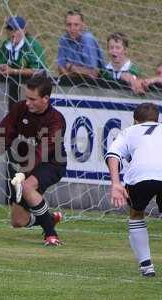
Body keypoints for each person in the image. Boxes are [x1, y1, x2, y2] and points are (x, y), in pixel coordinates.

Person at [0, 74, 66, 246]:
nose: (28, 103)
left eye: (33, 99)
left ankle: (51, 235)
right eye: (27, 98)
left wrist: (24, 174)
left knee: (27, 186)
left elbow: (43, 151)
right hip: (26, 166)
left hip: (51, 164)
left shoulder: (56, 120)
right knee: (18, 221)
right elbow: (3, 133)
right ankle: (47, 218)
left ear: (45, 99)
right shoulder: (20, 109)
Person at [105, 102, 162, 277]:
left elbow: (113, 155)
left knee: (137, 213)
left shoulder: (129, 131)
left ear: (135, 120)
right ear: (158, 120)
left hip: (140, 175)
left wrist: (115, 183)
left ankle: (147, 266)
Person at [57, 9, 104, 79]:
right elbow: (60, 68)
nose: (72, 28)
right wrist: (76, 73)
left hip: (93, 86)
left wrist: (71, 67)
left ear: (83, 25)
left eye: (76, 25)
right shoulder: (64, 40)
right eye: (69, 25)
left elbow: (93, 74)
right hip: (71, 84)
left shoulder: (88, 40)